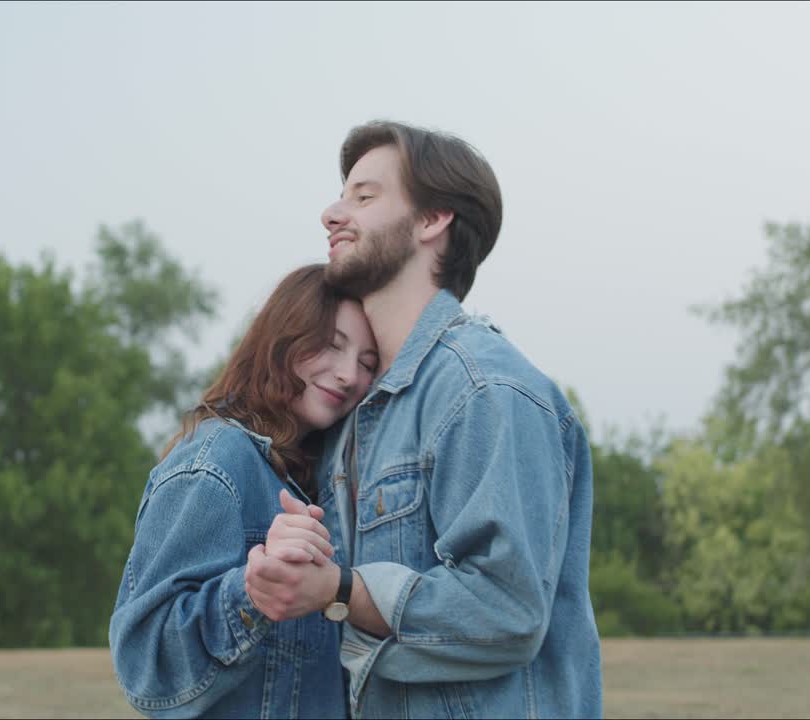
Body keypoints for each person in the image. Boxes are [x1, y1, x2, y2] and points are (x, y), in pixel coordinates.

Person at [243, 121, 603, 719]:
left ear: (432, 220)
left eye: (364, 196)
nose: (333, 213)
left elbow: (508, 612)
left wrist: (339, 589)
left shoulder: (485, 389)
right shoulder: (358, 415)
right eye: (342, 195)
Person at [109, 263, 379, 718]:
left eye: (367, 363)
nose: (348, 374)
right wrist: (253, 593)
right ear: (282, 337)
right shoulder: (216, 460)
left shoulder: (319, 480)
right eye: (332, 346)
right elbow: (147, 670)